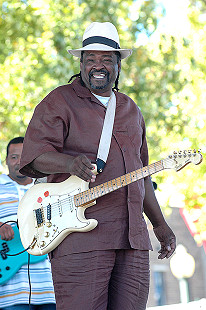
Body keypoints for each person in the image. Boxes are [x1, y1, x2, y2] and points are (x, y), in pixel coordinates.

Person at [19, 22, 176, 310]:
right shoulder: (60, 101)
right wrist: (69, 162)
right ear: (81, 64)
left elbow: (141, 175)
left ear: (118, 65)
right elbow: (32, 157)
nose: (97, 66)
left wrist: (161, 226)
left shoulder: (131, 109)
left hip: (133, 240)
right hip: (81, 239)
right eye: (90, 59)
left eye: (106, 59)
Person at [0, 137, 56, 310]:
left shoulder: (48, 188)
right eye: (14, 157)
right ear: (6, 161)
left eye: (23, 156)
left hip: (49, 288)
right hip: (10, 291)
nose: (18, 162)